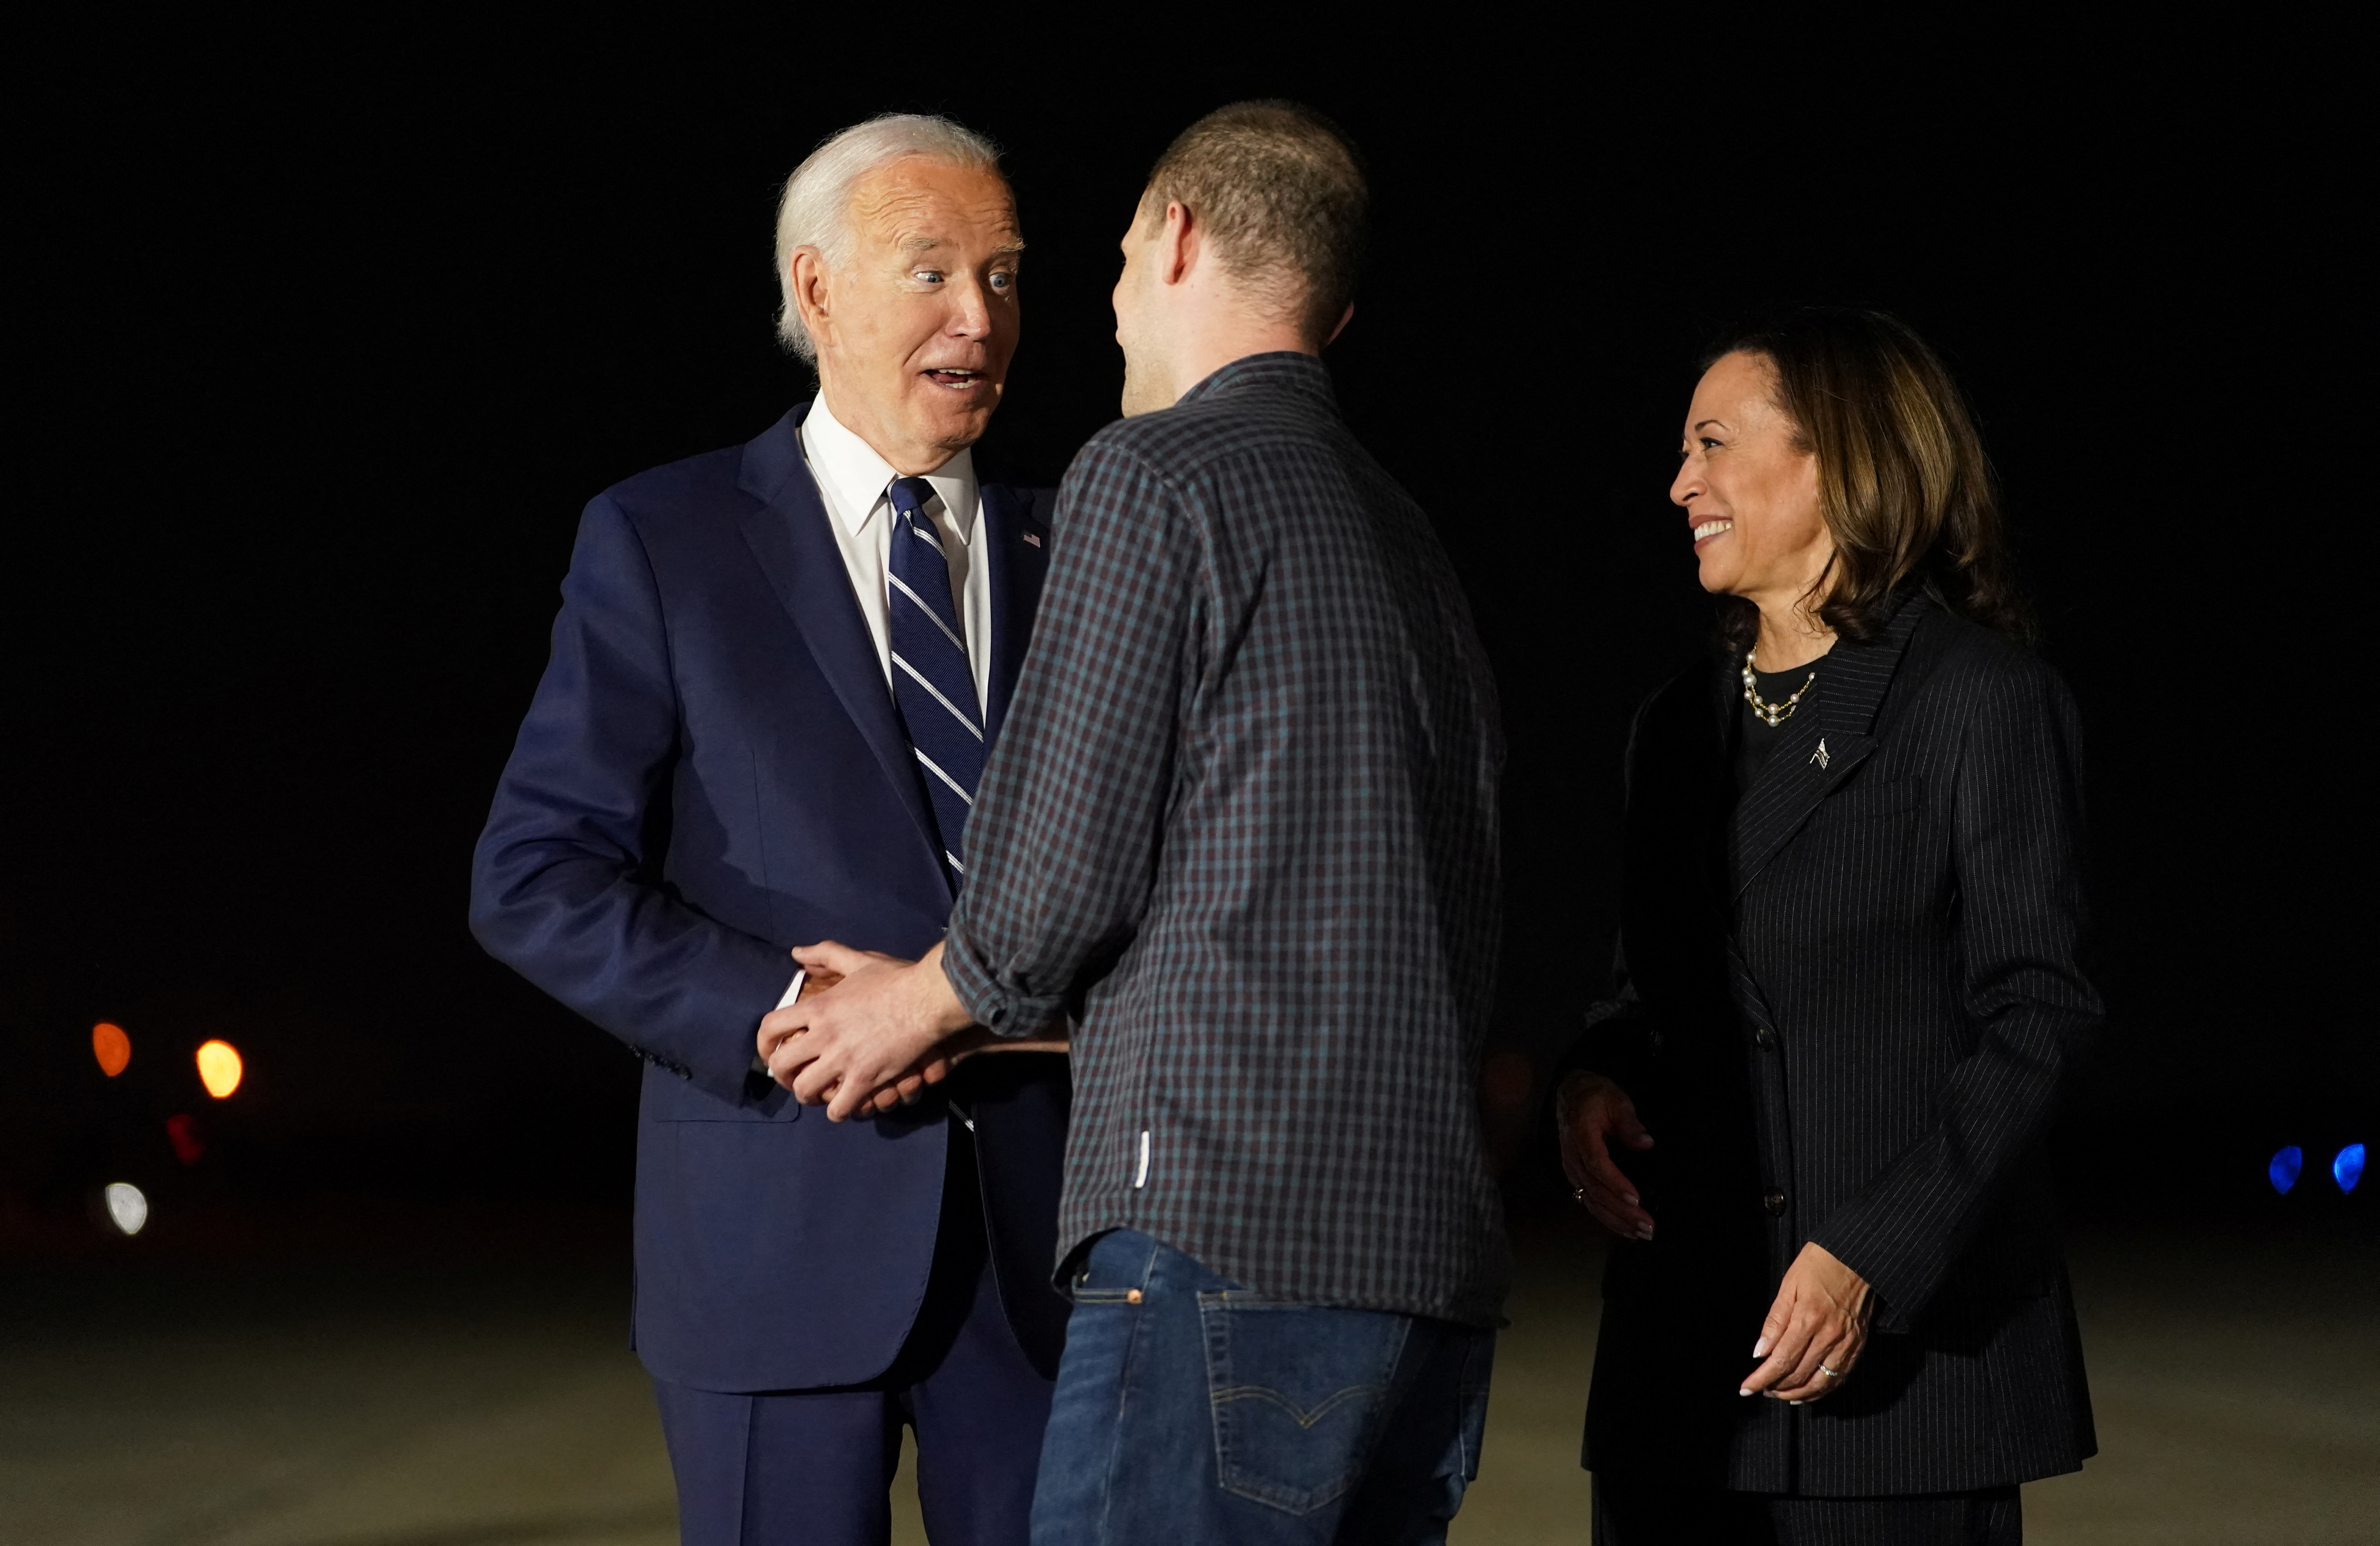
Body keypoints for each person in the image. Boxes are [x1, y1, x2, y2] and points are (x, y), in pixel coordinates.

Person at [764, 102, 1507, 1546]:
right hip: (1432, 1278)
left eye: (1093, 262)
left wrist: (913, 1004)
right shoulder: (1409, 537)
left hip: (1224, 1248)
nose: (1092, 310)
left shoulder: (1155, 476)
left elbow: (1051, 888)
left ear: (1171, 239)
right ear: (1334, 307)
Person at [468, 114, 1070, 1546]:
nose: (976, 315)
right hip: (774, 1233)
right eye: (930, 269)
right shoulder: (663, 539)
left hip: (1051, 1258)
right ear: (816, 293)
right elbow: (535, 875)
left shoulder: (1087, 543)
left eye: (1004, 274)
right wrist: (787, 1010)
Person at [1554, 308, 2099, 1545]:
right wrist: (1596, 1082)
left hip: (1904, 1394)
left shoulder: (1979, 703)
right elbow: (1648, 992)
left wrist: (1873, 1255)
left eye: (1713, 443)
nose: (1680, 480)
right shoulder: (1671, 728)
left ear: (1836, 460)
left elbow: (2040, 1014)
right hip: (1682, 1388)